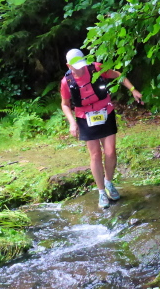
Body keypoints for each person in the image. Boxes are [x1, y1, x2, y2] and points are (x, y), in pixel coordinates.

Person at [60, 48, 143, 208]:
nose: (81, 69)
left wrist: (133, 90)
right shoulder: (66, 82)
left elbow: (118, 75)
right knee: (95, 155)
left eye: (82, 65)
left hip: (106, 112)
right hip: (85, 118)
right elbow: (65, 104)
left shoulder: (96, 68)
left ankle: (108, 182)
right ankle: (101, 192)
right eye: (76, 66)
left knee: (110, 152)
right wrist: (72, 122)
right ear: (69, 66)